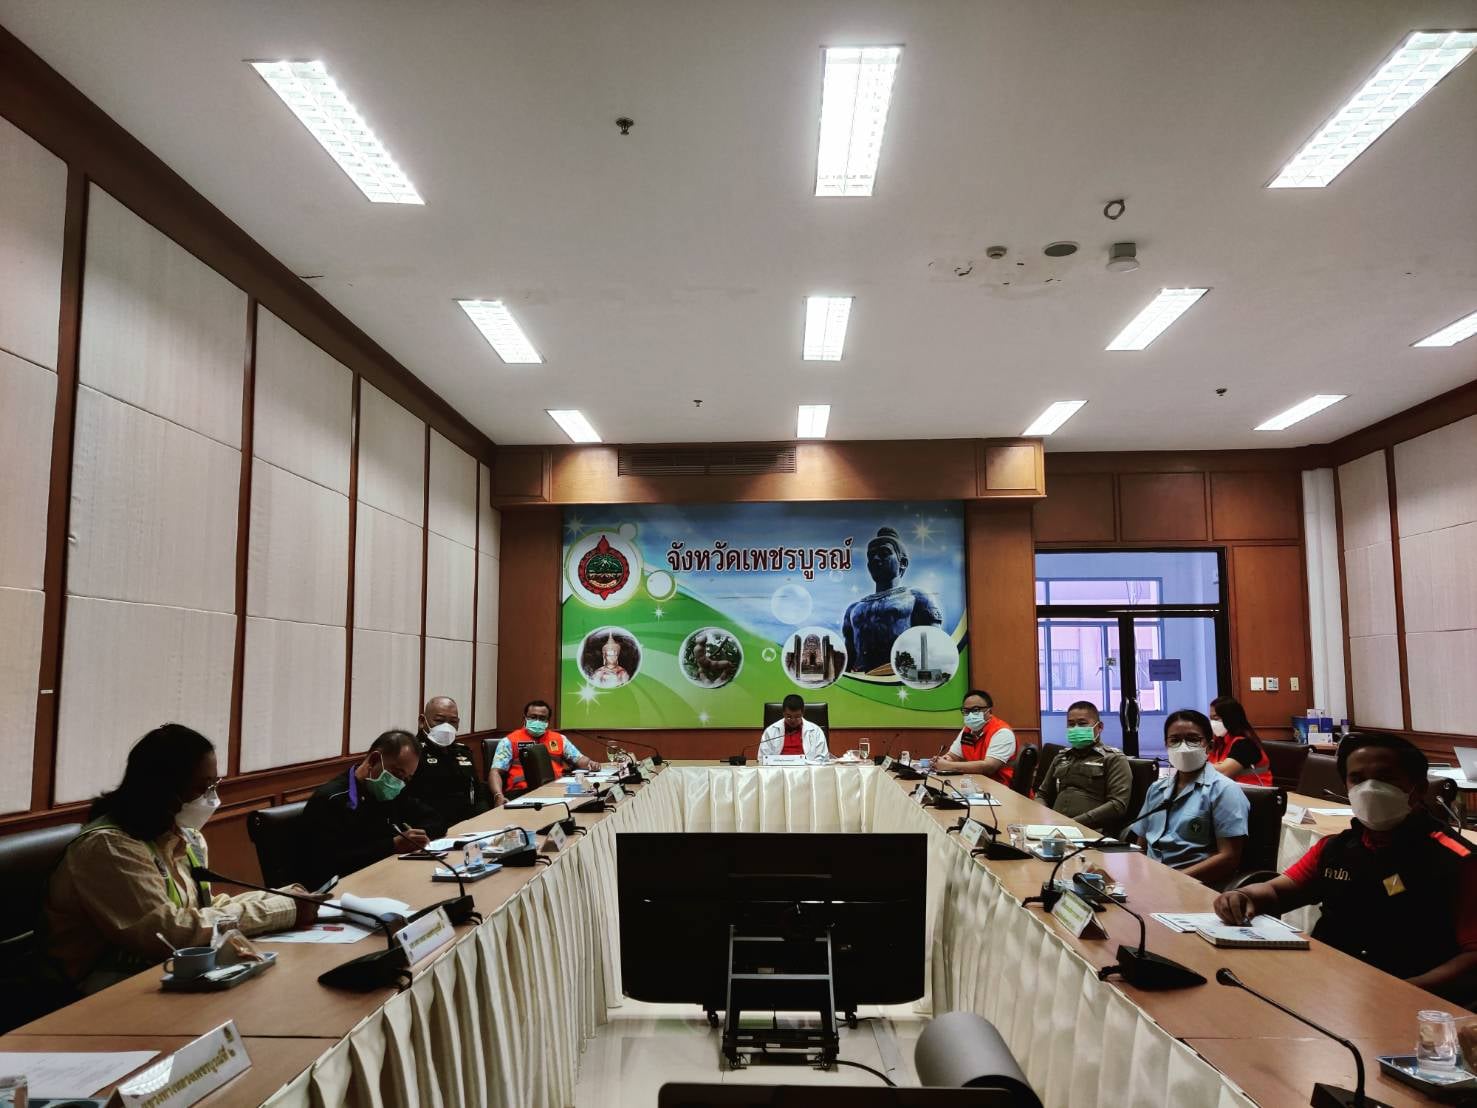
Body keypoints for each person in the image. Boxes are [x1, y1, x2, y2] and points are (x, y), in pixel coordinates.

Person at [44, 724, 320, 994]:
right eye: (203, 787)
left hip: (164, 974)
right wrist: (282, 910)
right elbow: (169, 932)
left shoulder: (184, 837)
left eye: (214, 785)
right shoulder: (109, 848)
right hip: (101, 989)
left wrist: (279, 898)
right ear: (163, 789)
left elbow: (202, 910)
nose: (212, 797)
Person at [1214, 732, 1477, 1000]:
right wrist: (1243, 896)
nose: (1370, 788)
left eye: (1386, 778)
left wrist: (1404, 992)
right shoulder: (1335, 848)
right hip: (1329, 986)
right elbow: (1278, 891)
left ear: (1418, 788)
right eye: (1358, 779)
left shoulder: (1457, 860)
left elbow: (1473, 957)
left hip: (1410, 997)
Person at [301, 730, 445, 889]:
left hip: (387, 876)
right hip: (342, 888)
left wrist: (415, 839)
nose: (399, 783)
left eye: (406, 778)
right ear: (374, 760)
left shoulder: (392, 791)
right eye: (397, 774)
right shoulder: (331, 799)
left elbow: (436, 820)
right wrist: (392, 846)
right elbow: (325, 864)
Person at [1126, 710, 1248, 885]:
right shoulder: (1156, 789)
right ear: (1166, 745)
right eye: (1175, 740)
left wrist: (1171, 881)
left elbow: (1229, 857)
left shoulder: (1224, 790)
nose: (1183, 747)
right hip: (1151, 882)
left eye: (1193, 739)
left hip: (1192, 886)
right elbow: (1142, 846)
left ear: (1209, 746)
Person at [841, 526, 944, 674]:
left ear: (903, 563)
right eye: (871, 556)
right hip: (861, 679)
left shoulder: (917, 597)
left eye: (884, 554)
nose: (876, 559)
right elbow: (848, 658)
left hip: (901, 677)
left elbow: (935, 645)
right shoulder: (854, 609)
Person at [1036, 701, 1133, 831]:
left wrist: (1074, 823)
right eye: (1071, 724)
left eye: (1082, 724)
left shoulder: (1113, 758)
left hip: (1092, 831)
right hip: (1054, 828)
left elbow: (1117, 805)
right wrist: (1043, 818)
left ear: (1099, 727)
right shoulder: (1062, 757)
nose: (1076, 728)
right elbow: (1042, 795)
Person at [488, 700, 601, 804]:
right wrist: (498, 795)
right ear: (524, 718)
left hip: (556, 790)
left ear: (548, 721)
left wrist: (590, 763)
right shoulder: (509, 741)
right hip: (521, 792)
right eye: (533, 717)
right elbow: (495, 772)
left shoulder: (559, 739)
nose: (537, 721)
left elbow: (580, 760)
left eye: (542, 718)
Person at [401, 695, 489, 827]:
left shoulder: (463, 752)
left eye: (453, 721)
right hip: (432, 827)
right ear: (422, 721)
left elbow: (478, 794)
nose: (446, 727)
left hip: (469, 825)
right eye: (439, 720)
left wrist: (485, 820)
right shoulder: (412, 753)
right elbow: (406, 801)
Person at [936, 690, 1024, 786]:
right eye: (966, 711)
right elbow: (953, 756)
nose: (970, 715)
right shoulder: (967, 730)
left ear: (989, 711)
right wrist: (944, 760)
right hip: (977, 784)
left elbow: (989, 767)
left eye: (975, 710)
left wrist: (948, 766)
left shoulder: (1002, 732)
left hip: (1002, 787)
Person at [1208, 695, 1272, 785]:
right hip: (1230, 790)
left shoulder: (1245, 745)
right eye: (1210, 719)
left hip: (1254, 792)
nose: (1212, 723)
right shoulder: (1220, 742)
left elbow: (1223, 773)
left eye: (1216, 718)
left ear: (1230, 719)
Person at [758, 693, 831, 762]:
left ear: (803, 713)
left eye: (797, 717)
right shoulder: (770, 731)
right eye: (789, 717)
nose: (793, 720)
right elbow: (763, 758)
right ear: (783, 713)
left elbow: (823, 758)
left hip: (806, 769)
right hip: (779, 769)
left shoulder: (816, 731)